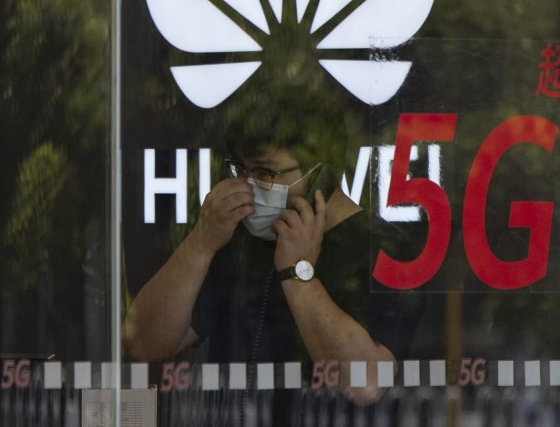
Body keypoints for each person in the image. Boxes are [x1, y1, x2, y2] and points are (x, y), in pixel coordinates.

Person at [123, 88, 425, 424]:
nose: (249, 187)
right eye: (240, 170)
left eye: (265, 173)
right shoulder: (237, 241)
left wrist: (298, 275)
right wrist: (200, 243)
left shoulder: (379, 246)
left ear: (321, 172)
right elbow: (143, 344)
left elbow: (366, 384)